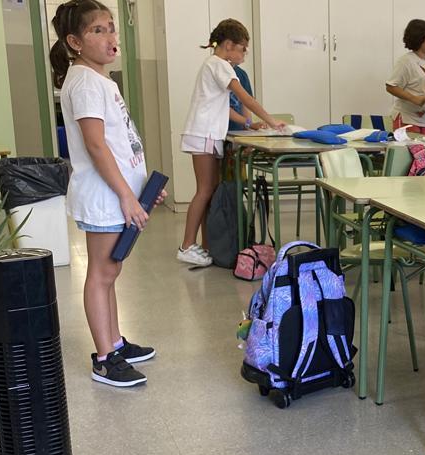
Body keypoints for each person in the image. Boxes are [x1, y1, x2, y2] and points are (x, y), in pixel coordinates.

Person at [51, 0, 166, 386]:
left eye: (111, 27)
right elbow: (96, 146)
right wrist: (127, 196)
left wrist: (140, 191)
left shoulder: (98, 80)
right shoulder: (83, 82)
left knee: (110, 271)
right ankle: (104, 358)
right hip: (104, 197)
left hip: (117, 194)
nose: (110, 37)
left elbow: (119, 144)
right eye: (97, 30)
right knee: (101, 274)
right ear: (75, 41)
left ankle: (115, 342)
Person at [179, 19, 284, 266]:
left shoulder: (213, 66)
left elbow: (224, 108)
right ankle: (186, 246)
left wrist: (250, 124)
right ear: (228, 45)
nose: (244, 55)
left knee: (210, 191)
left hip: (206, 134)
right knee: (204, 191)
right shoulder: (220, 65)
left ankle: (206, 245)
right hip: (203, 134)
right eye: (243, 48)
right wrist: (270, 119)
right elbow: (245, 98)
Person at [387, 19, 425, 134]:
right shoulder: (406, 61)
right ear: (420, 39)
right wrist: (414, 98)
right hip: (407, 119)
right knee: (411, 151)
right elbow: (391, 86)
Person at [227, 65, 265, 132]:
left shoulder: (240, 73)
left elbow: (246, 105)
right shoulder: (218, 71)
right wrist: (250, 124)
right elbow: (225, 109)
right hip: (218, 131)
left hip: (237, 130)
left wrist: (248, 126)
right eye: (243, 54)